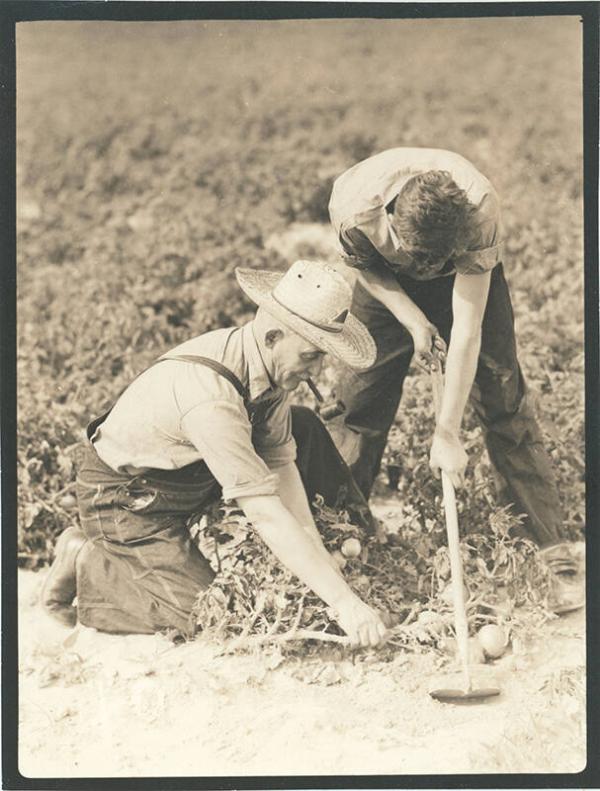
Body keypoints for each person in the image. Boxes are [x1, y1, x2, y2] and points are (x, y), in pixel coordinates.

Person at [41, 260, 389, 646]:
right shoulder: (211, 398)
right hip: (129, 500)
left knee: (303, 425)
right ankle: (87, 562)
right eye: (311, 356)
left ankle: (355, 539)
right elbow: (264, 511)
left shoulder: (267, 366)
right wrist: (344, 602)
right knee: (207, 614)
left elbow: (280, 463)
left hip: (190, 469)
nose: (316, 370)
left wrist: (321, 558)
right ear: (273, 337)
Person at [328, 147, 583, 613]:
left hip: (465, 282)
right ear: (389, 220)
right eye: (420, 260)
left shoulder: (478, 207)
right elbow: (365, 267)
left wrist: (446, 432)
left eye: (436, 261)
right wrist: (410, 316)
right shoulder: (353, 205)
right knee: (358, 403)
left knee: (503, 393)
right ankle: (340, 534)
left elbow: (467, 330)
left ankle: (548, 546)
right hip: (384, 284)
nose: (428, 272)